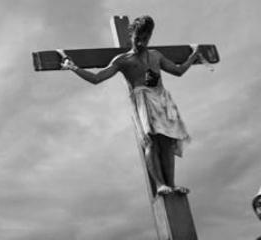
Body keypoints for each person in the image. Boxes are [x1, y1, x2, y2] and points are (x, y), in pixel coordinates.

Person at [61, 15, 200, 195]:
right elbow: (97, 78)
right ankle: (160, 185)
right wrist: (73, 67)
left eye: (145, 38)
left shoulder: (156, 55)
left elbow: (178, 71)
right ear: (132, 36)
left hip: (162, 98)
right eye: (138, 38)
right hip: (142, 99)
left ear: (150, 37)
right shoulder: (123, 60)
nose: (141, 42)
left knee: (166, 142)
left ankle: (171, 184)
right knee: (151, 141)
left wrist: (193, 57)